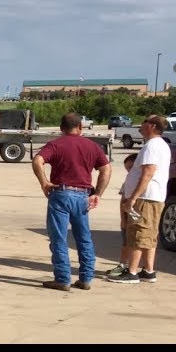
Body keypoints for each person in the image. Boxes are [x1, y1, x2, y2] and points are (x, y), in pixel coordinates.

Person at [32, 112, 111, 291]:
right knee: (84, 238)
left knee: (59, 238)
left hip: (61, 194)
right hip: (83, 195)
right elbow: (106, 169)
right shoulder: (92, 146)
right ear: (81, 127)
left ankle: (62, 278)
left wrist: (44, 182)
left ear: (61, 128)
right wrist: (98, 193)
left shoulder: (55, 144)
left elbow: (38, 160)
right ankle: (86, 278)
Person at [108, 114, 171, 284]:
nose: (141, 125)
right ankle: (148, 271)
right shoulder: (159, 145)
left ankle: (132, 272)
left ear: (153, 126)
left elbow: (148, 173)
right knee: (149, 234)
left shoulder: (152, 146)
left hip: (145, 198)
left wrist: (133, 198)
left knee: (138, 233)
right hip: (152, 197)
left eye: (145, 122)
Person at [106, 153, 138, 277]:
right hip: (127, 216)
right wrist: (122, 219)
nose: (129, 171)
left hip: (137, 215)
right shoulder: (128, 181)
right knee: (126, 242)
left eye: (131, 168)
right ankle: (123, 264)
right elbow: (123, 200)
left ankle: (133, 267)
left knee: (136, 243)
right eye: (127, 169)